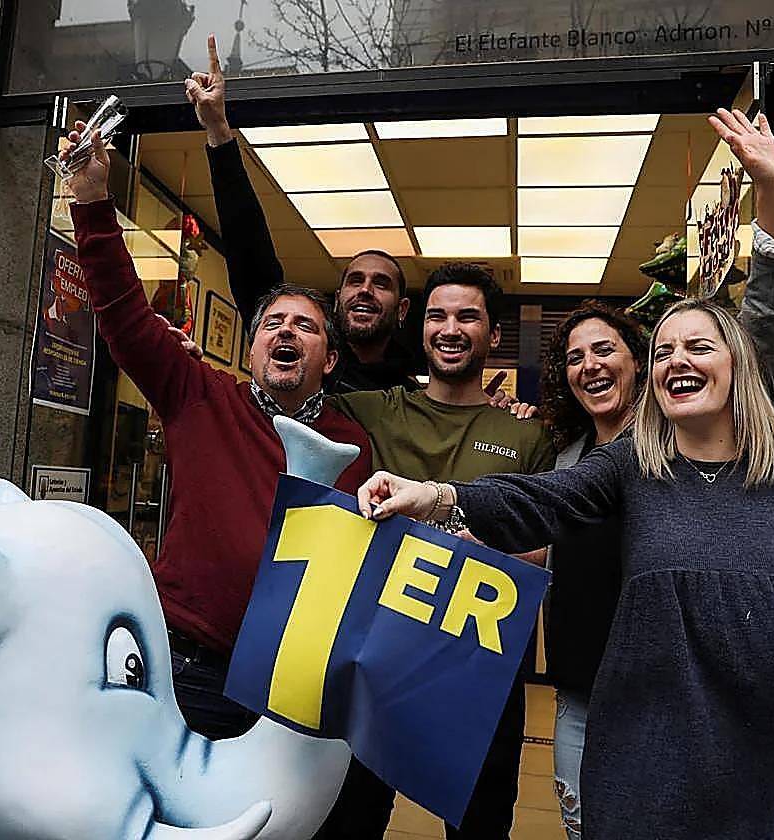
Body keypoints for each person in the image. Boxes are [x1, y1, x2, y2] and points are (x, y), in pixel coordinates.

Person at [357, 297, 774, 840]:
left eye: (699, 347)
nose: (677, 361)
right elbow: (540, 499)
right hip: (648, 764)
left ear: (739, 366)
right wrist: (435, 495)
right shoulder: (631, 464)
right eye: (664, 352)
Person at [538, 106, 774, 838]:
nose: (591, 365)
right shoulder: (565, 460)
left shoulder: (692, 436)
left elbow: (762, 322)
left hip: (679, 698)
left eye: (609, 351)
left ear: (641, 361)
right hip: (582, 692)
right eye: (573, 359)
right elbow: (531, 520)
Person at [59, 124, 374, 739]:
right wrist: (93, 200)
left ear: (330, 361)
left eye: (306, 328)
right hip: (188, 667)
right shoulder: (199, 395)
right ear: (252, 348)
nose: (287, 333)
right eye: (274, 324)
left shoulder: (355, 447)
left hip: (293, 684)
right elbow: (124, 314)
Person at [320, 261, 555, 840]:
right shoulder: (375, 410)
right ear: (419, 329)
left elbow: (540, 556)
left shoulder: (527, 434)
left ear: (493, 336)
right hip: (376, 658)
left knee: (480, 824)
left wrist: (485, 543)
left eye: (467, 317)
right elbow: (286, 397)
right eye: (437, 316)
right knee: (352, 820)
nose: (450, 328)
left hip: (481, 670)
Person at [185, 34, 418, 392]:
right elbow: (251, 253)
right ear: (337, 300)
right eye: (355, 281)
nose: (365, 290)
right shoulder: (303, 363)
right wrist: (218, 130)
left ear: (401, 310)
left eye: (381, 284)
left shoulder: (411, 400)